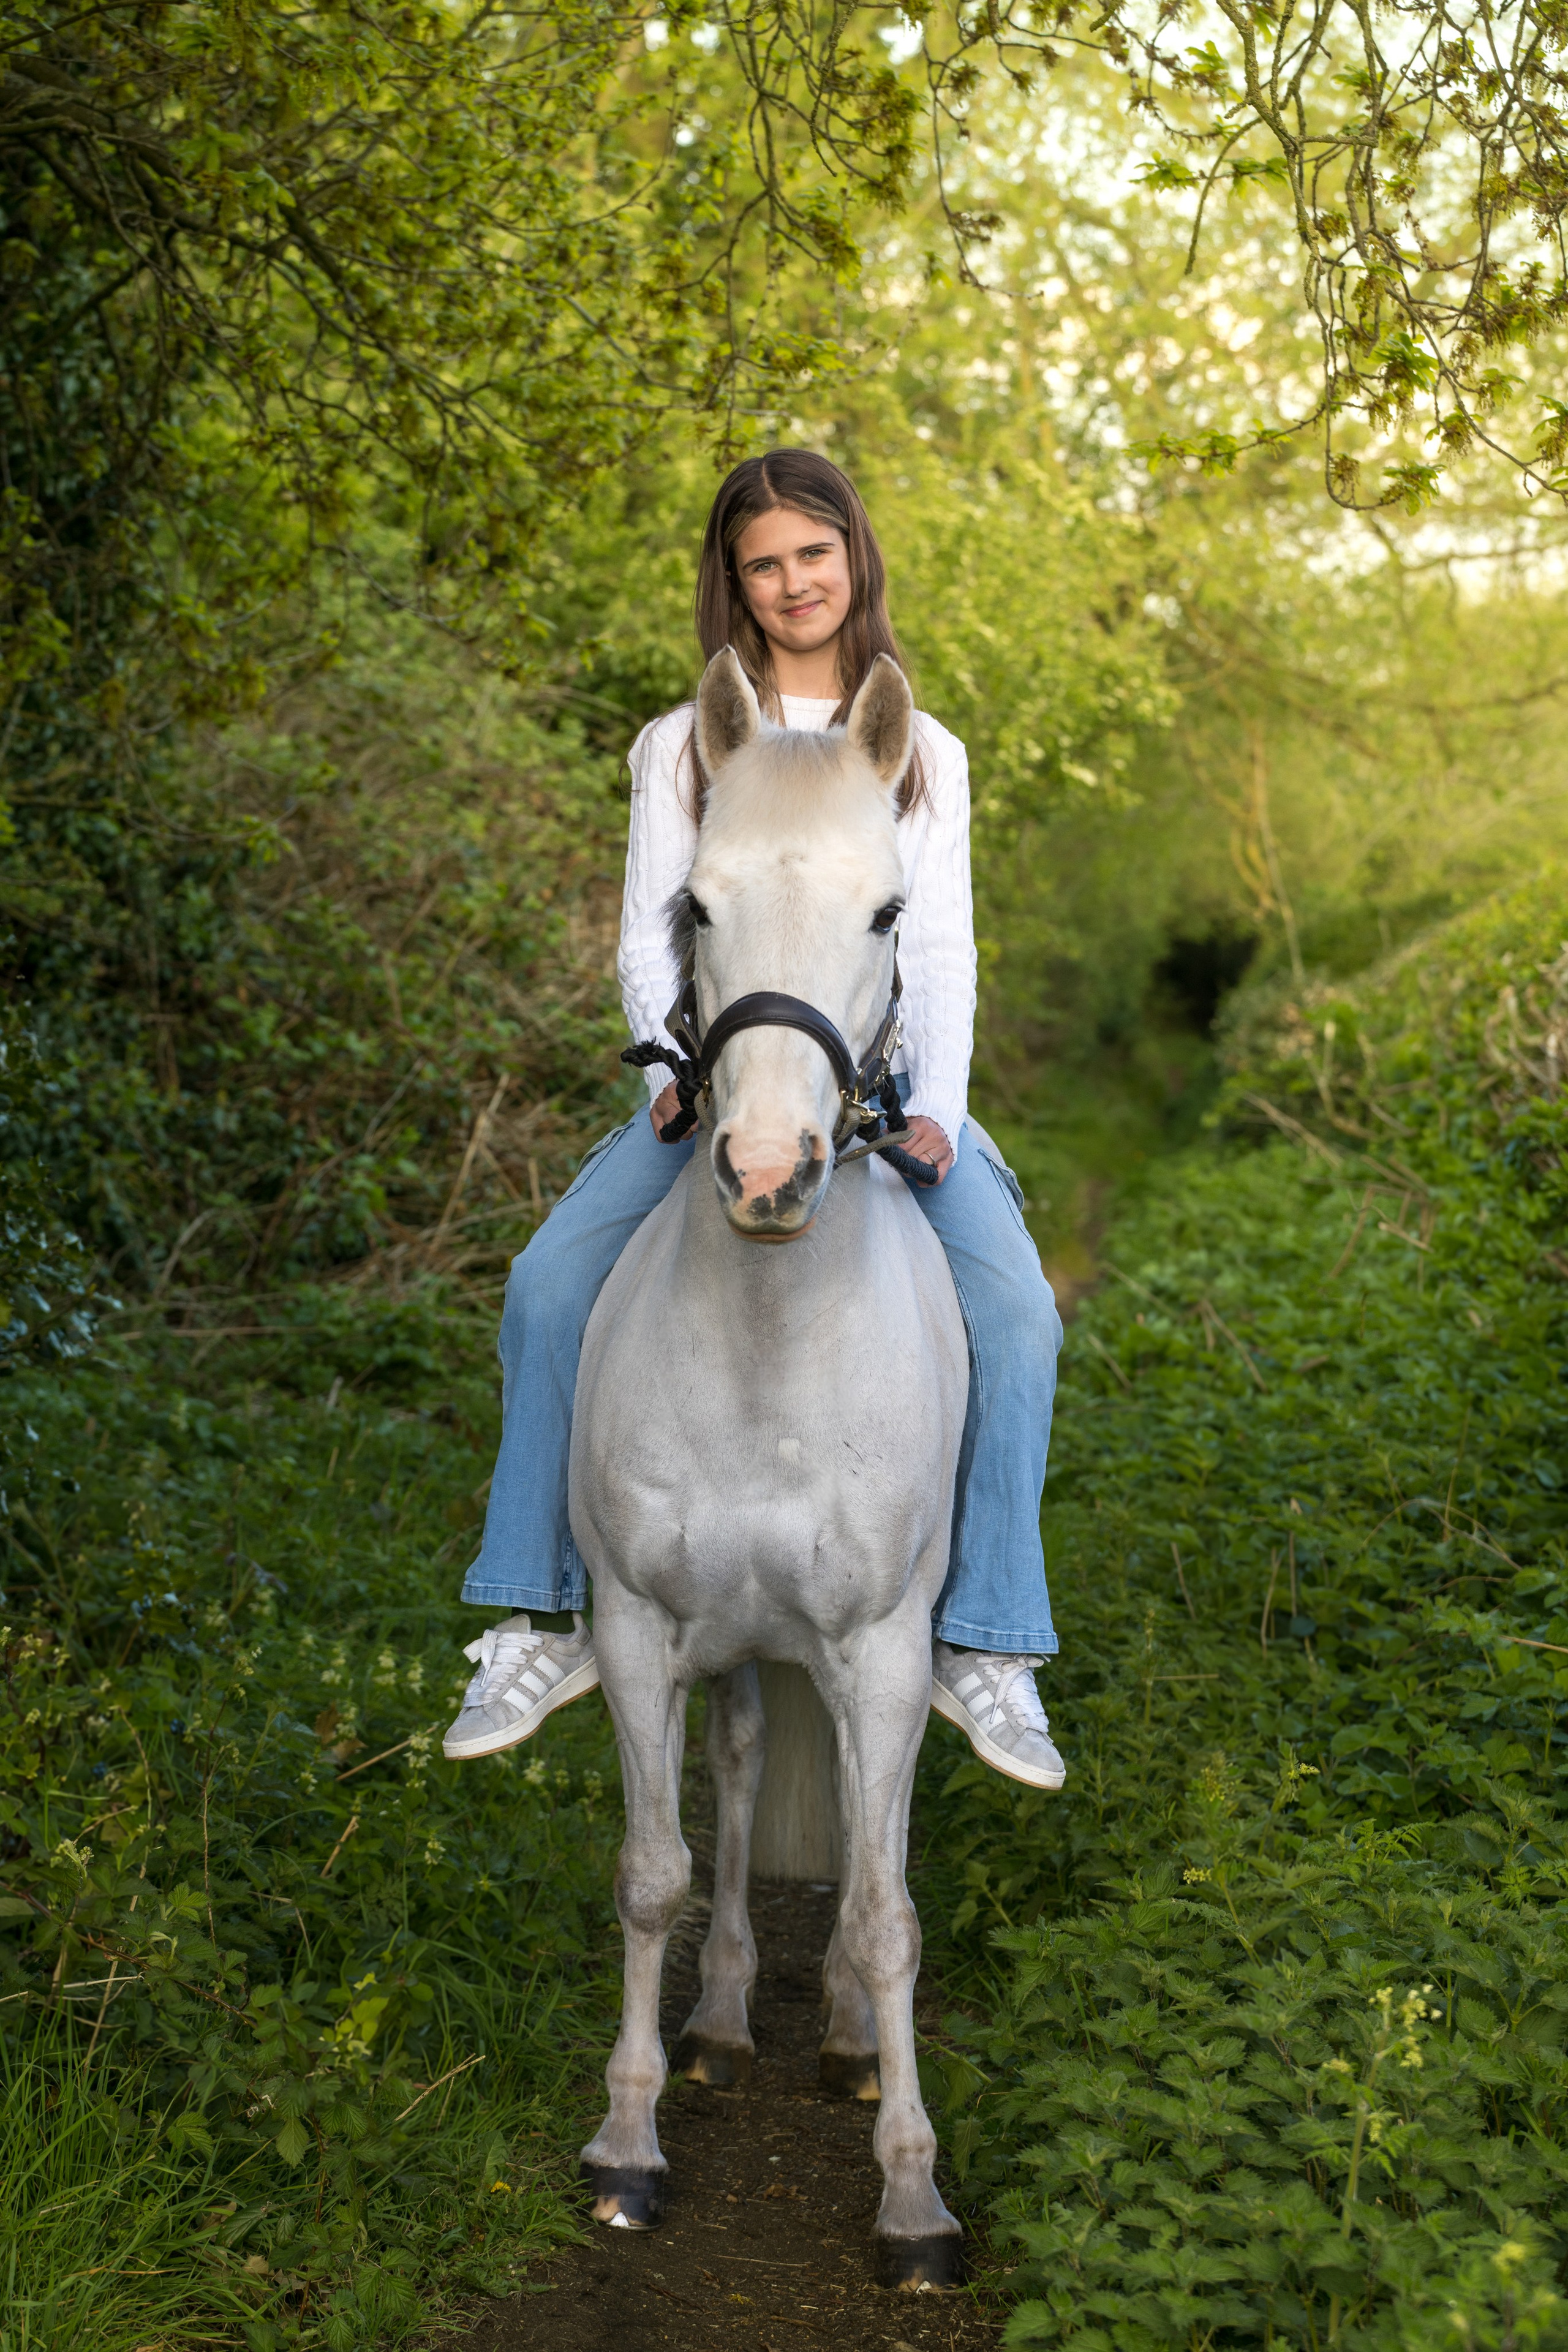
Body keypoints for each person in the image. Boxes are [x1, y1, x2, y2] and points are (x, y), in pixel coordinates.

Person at [443, 450, 1066, 1790]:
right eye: (762, 563)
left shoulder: (922, 753)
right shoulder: (682, 745)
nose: (792, 583)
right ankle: (539, 1613)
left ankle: (987, 1642)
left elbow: (939, 952)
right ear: (733, 583)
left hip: (882, 1093)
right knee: (546, 1286)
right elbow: (649, 941)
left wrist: (939, 1113)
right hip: (715, 1084)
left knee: (1018, 1315)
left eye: (812, 553)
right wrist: (670, 1077)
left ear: (855, 557)